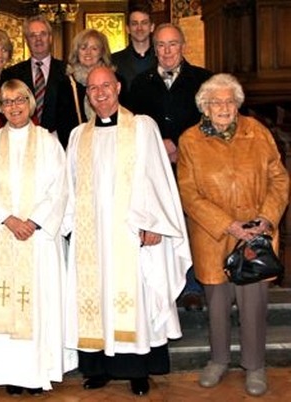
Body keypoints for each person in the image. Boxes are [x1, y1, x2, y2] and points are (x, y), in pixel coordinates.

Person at [63, 66, 191, 396]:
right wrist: (68, 227)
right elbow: (69, 186)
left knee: (133, 296)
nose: (100, 92)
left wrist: (154, 223)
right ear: (87, 94)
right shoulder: (79, 135)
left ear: (118, 87)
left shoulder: (142, 127)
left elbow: (157, 177)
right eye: (93, 88)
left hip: (131, 233)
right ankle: (99, 367)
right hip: (91, 236)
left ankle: (138, 369)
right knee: (95, 297)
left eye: (106, 85)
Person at [177, 73, 289, 397]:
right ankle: (219, 360)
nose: (224, 107)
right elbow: (188, 192)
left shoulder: (258, 133)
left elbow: (279, 179)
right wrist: (227, 223)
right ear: (204, 106)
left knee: (253, 304)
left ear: (238, 104)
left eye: (229, 101)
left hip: (255, 235)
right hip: (213, 235)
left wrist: (266, 219)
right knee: (216, 304)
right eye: (216, 102)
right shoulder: (190, 140)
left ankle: (254, 365)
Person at [0, 79, 77, 396]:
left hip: (38, 239)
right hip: (2, 235)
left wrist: (34, 222)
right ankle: (8, 373)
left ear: (30, 103)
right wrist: (9, 219)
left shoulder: (48, 142)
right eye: (7, 101)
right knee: (2, 303)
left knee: (37, 303)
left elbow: (60, 189)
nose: (14, 107)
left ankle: (37, 372)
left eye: (20, 100)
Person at [128, 23, 212, 311]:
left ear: (183, 46)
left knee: (192, 223)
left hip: (192, 164)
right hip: (154, 166)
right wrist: (159, 143)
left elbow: (210, 122)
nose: (166, 51)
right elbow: (133, 124)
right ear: (154, 49)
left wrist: (180, 144)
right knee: (160, 222)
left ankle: (192, 285)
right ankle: (163, 284)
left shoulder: (203, 80)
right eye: (161, 45)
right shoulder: (140, 83)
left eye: (172, 44)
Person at [2, 15, 65, 133]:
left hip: (59, 142)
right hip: (22, 140)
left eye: (43, 34)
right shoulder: (11, 74)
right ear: (26, 41)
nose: (38, 39)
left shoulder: (67, 71)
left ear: (50, 38)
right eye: (33, 35)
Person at [56, 28, 114, 148]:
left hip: (111, 144)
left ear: (102, 52)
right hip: (78, 148)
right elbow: (62, 126)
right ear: (76, 52)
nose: (88, 53)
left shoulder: (114, 80)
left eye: (94, 48)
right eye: (83, 48)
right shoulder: (66, 85)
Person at [112, 2, 156, 100]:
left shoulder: (163, 58)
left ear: (152, 27)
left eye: (144, 23)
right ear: (128, 29)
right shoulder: (113, 61)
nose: (139, 28)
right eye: (134, 23)